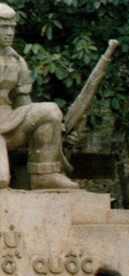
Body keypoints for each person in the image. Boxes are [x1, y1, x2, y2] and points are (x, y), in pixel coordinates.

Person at [0, 4, 78, 190]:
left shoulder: (17, 61)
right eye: (3, 27)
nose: (10, 32)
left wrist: (57, 131)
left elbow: (24, 106)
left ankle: (45, 175)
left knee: (49, 111)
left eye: (12, 27)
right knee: (1, 180)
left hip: (7, 122)